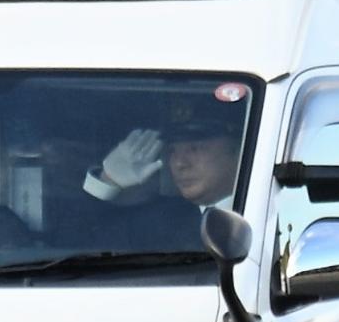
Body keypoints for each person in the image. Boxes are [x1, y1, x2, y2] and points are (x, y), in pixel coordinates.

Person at [82, 98, 244, 248]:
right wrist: (107, 181)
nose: (180, 163)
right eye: (173, 151)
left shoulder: (267, 213)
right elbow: (83, 244)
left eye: (195, 149)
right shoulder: (157, 223)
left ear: (239, 150)